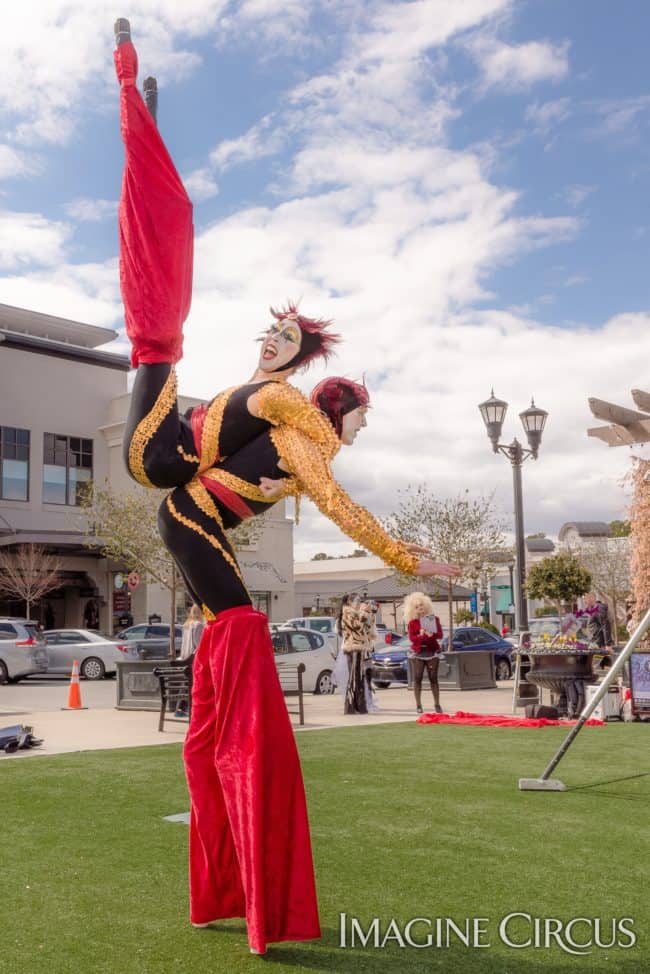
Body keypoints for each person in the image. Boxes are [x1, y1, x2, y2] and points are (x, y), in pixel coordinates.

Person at [114, 27, 459, 956]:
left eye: (283, 342)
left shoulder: (300, 434)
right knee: (156, 326)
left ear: (315, 383)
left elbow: (340, 507)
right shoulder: (274, 409)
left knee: (236, 631)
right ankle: (138, 126)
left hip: (180, 498)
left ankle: (223, 764)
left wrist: (400, 554)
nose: (267, 343)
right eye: (268, 336)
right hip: (164, 463)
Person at [404, 592, 444, 715]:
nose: (420, 608)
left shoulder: (433, 619)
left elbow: (440, 635)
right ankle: (418, 705)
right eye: (416, 606)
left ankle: (437, 704)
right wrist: (420, 635)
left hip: (431, 651)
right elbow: (412, 638)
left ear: (426, 605)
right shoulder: (412, 623)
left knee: (433, 679)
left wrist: (432, 635)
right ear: (413, 609)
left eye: (421, 605)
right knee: (417, 679)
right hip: (419, 653)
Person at [339, 595, 376, 714]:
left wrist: (371, 614)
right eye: (357, 601)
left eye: (360, 601)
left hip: (361, 647)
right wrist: (364, 613)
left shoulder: (357, 613)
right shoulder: (348, 613)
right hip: (353, 647)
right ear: (350, 602)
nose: (360, 603)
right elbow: (357, 628)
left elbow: (368, 630)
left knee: (359, 678)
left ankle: (359, 706)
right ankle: (351, 706)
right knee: (354, 678)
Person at [174, 604, 205, 719]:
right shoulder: (199, 625)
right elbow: (199, 645)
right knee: (195, 685)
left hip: (185, 658)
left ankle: (180, 708)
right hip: (194, 660)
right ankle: (186, 708)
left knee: (186, 684)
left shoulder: (186, 625)